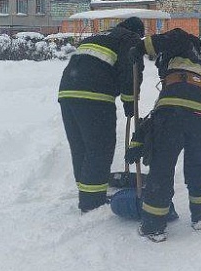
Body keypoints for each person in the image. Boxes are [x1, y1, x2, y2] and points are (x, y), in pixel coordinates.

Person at [127, 28, 201, 242]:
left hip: (173, 113)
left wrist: (140, 47)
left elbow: (173, 37)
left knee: (162, 166)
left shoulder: (183, 42)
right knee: (198, 165)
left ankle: (153, 226)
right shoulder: (200, 65)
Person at [58, 17, 145, 212]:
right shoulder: (130, 39)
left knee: (81, 147)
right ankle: (92, 202)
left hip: (66, 93)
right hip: (94, 95)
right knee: (100, 148)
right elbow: (130, 72)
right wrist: (130, 103)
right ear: (137, 32)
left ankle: (87, 193)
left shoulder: (99, 36)